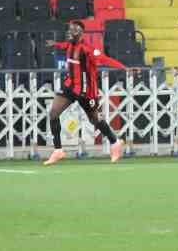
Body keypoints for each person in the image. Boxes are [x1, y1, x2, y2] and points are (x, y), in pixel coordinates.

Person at [43, 20, 130, 166]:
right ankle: (58, 150)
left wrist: (124, 68)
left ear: (81, 33)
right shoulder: (70, 45)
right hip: (70, 86)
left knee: (95, 120)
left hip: (86, 91)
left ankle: (115, 142)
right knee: (53, 113)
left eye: (73, 30)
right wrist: (55, 44)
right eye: (69, 30)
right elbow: (63, 45)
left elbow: (104, 59)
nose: (70, 33)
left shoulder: (87, 49)